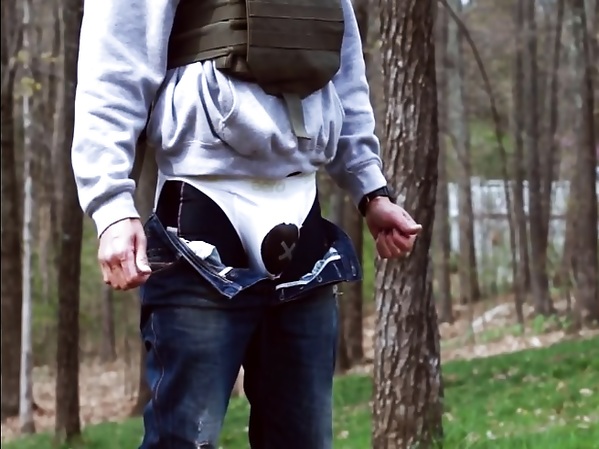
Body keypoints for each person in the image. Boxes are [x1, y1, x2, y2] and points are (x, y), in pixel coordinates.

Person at [71, 0, 422, 448]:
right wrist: (111, 205)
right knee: (184, 441)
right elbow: (116, 59)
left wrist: (370, 187)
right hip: (199, 218)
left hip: (304, 222)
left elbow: (343, 65)